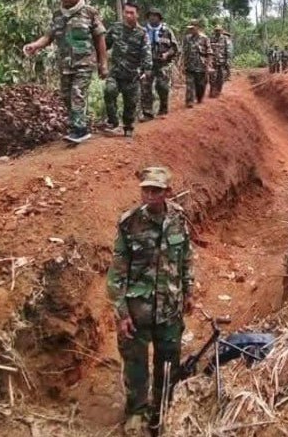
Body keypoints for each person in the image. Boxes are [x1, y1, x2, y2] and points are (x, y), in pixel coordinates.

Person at [107, 166, 194, 436]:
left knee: (168, 362)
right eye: (146, 189)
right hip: (138, 312)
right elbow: (116, 274)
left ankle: (163, 408)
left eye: (156, 190)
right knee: (136, 365)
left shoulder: (179, 218)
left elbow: (186, 257)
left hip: (170, 309)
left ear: (168, 192)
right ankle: (136, 412)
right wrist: (122, 313)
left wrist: (188, 291)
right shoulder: (129, 223)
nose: (149, 194)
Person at [22, 0, 108, 144]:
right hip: (65, 65)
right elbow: (48, 36)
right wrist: (35, 45)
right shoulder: (58, 15)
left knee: (77, 93)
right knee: (66, 96)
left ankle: (80, 130)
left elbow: (100, 38)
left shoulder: (89, 12)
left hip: (84, 63)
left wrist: (103, 64)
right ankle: (79, 124)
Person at [104, 2, 151, 137]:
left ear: (137, 15)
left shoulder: (142, 33)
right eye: (126, 12)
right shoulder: (115, 28)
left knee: (130, 104)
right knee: (109, 91)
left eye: (131, 13)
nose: (128, 15)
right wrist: (100, 61)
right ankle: (113, 122)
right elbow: (104, 45)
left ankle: (128, 127)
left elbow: (146, 53)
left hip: (132, 75)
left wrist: (146, 70)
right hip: (115, 72)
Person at [141, 9, 179, 120]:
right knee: (145, 86)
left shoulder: (167, 31)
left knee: (162, 86)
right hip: (147, 64)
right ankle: (147, 113)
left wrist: (167, 54)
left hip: (163, 64)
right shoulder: (143, 31)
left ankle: (163, 108)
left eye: (155, 16)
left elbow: (175, 47)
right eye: (150, 16)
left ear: (159, 18)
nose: (152, 18)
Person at [182, 21, 211, 107]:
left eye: (192, 28)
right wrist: (183, 64)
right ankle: (189, 101)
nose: (191, 30)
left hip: (201, 66)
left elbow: (209, 52)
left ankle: (199, 97)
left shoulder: (204, 38)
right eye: (190, 29)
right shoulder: (187, 38)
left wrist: (208, 65)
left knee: (200, 85)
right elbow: (185, 51)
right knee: (189, 83)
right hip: (190, 65)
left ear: (197, 27)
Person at [207, 25, 230, 98]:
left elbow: (228, 50)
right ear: (214, 31)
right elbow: (208, 49)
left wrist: (228, 61)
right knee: (212, 78)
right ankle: (212, 91)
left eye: (219, 30)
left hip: (222, 62)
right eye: (216, 30)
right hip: (213, 62)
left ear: (221, 31)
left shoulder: (225, 39)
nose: (217, 32)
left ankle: (218, 91)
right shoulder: (211, 38)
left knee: (221, 77)